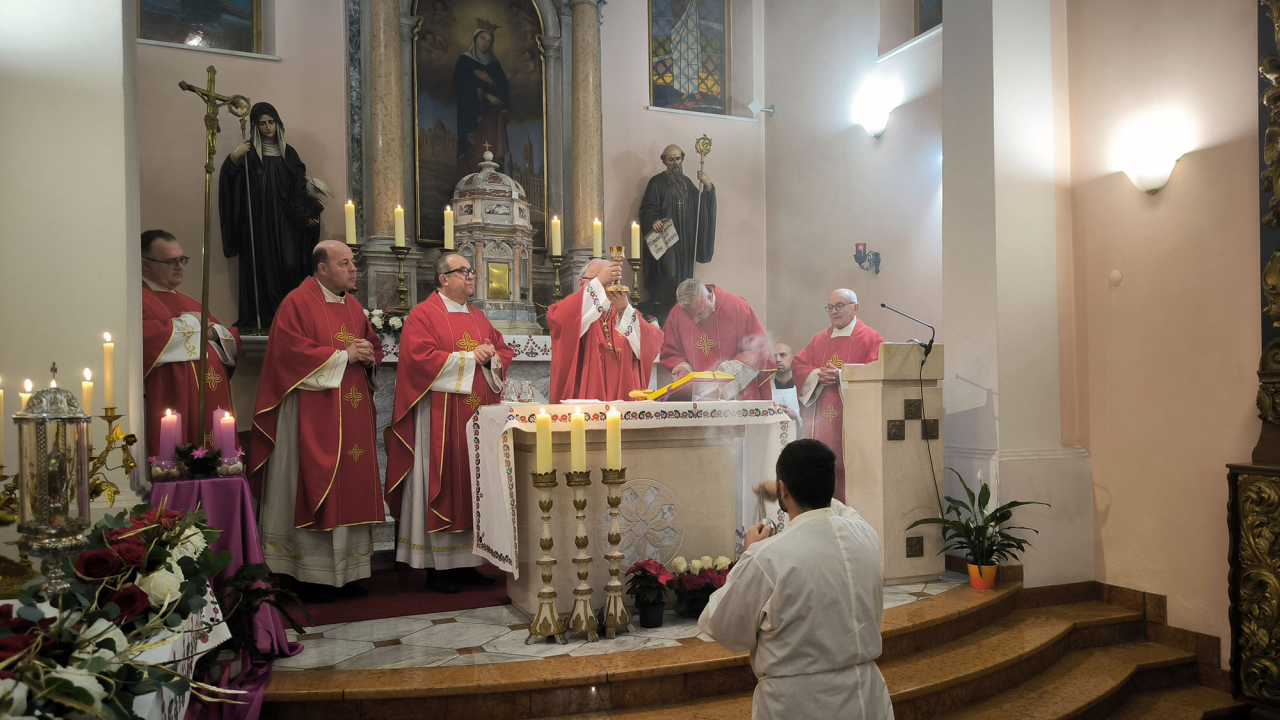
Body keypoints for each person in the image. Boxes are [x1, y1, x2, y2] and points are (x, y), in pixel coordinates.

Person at [700, 439, 893, 720]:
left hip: (797, 704)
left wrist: (748, 553)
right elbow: (833, 509)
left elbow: (722, 625)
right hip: (865, 698)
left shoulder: (766, 557)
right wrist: (786, 488)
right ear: (830, 483)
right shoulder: (866, 536)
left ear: (783, 490)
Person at [250, 241, 384, 602]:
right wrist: (344, 355)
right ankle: (307, 573)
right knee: (310, 483)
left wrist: (369, 356)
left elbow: (370, 345)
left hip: (351, 413)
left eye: (353, 262)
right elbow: (287, 354)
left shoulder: (352, 305)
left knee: (351, 485)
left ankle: (350, 570)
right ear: (322, 269)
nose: (354, 269)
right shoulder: (297, 301)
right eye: (344, 263)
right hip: (312, 413)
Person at [386, 253, 514, 594]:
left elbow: (502, 350)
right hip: (439, 418)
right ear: (444, 278)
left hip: (476, 418)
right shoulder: (424, 314)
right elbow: (418, 360)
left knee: (474, 484)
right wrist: (471, 357)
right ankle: (438, 567)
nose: (471, 277)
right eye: (464, 271)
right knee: (443, 482)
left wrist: (492, 359)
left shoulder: (478, 316)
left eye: (472, 271)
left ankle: (469, 563)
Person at [219, 101, 328, 330]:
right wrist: (233, 159)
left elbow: (299, 187)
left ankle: (289, 318)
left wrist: (307, 214)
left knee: (290, 264)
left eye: (272, 122)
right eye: (262, 124)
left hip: (286, 220)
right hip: (258, 221)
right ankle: (264, 320)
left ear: (278, 124)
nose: (268, 128)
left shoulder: (289, 154)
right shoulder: (249, 154)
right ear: (255, 127)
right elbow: (231, 183)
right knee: (261, 268)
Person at [141, 230, 240, 458]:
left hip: (210, 400)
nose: (179, 266)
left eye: (181, 260)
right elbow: (146, 338)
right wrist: (192, 325)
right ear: (145, 265)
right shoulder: (137, 300)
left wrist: (213, 333)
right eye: (170, 261)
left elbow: (231, 340)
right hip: (172, 399)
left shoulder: (188, 300)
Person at [791, 289, 884, 503]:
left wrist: (841, 376)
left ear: (856, 307)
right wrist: (817, 374)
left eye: (840, 305)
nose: (834, 311)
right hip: (821, 427)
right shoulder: (818, 339)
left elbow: (877, 372)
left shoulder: (871, 338)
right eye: (830, 307)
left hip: (854, 427)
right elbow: (798, 365)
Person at [547, 259, 663, 404]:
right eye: (601, 280)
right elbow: (560, 320)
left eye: (611, 282)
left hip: (624, 399)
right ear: (581, 283)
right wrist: (599, 282)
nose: (607, 287)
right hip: (586, 401)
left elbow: (651, 342)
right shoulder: (571, 311)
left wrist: (624, 310)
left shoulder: (625, 314)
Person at [660, 279, 774, 401]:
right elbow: (670, 351)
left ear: (709, 297)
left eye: (699, 313)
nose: (695, 321)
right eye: (689, 317)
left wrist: (730, 368)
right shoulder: (677, 313)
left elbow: (759, 349)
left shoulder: (737, 307)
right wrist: (683, 368)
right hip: (695, 399)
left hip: (737, 397)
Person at [639, 144, 717, 319]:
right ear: (664, 161)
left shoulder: (688, 183)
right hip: (667, 241)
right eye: (671, 159)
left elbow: (701, 210)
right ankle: (665, 310)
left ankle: (681, 311)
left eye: (678, 158)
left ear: (682, 159)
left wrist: (709, 188)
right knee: (669, 273)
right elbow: (647, 208)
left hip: (686, 240)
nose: (675, 163)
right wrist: (654, 221)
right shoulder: (656, 182)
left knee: (684, 279)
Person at [454, 21, 510, 179]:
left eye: (489, 41)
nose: (485, 43)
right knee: (474, 150)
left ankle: (493, 181)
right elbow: (462, 87)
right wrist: (485, 94)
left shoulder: (494, 64)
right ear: (475, 38)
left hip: (492, 117)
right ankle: (472, 182)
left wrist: (491, 82)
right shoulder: (464, 61)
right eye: (482, 38)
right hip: (473, 116)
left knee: (492, 147)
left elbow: (505, 88)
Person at [770, 343, 802, 437]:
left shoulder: (803, 387)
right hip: (774, 439)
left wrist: (796, 414)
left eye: (783, 355)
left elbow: (815, 416)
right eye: (774, 356)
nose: (778, 360)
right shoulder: (766, 389)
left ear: (792, 359)